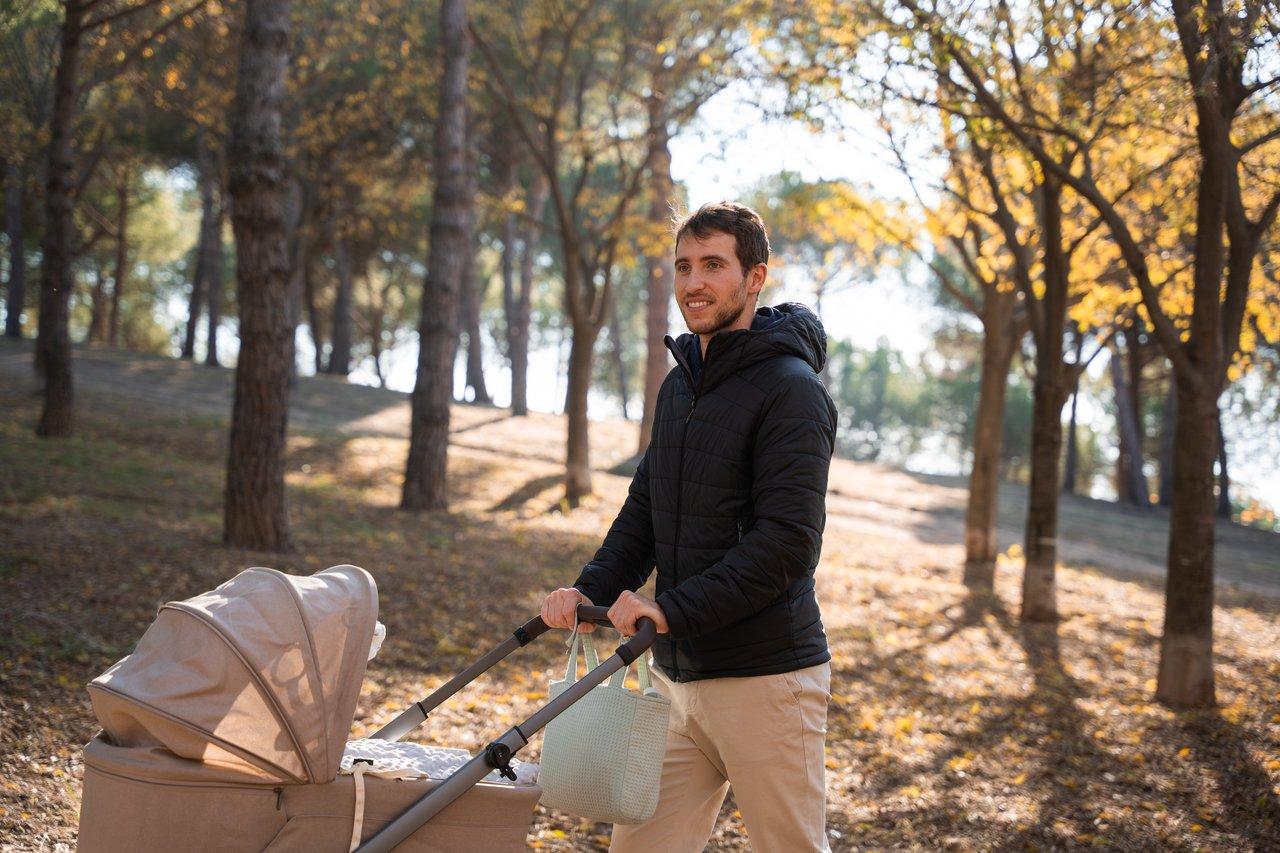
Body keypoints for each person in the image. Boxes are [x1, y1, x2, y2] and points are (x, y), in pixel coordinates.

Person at [541, 201, 838, 852]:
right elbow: (647, 509)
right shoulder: (681, 387)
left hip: (767, 682)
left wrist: (669, 607)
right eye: (682, 266)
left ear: (754, 278)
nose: (693, 282)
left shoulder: (792, 391)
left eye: (712, 265)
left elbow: (787, 544)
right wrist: (589, 594)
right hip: (678, 678)